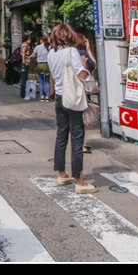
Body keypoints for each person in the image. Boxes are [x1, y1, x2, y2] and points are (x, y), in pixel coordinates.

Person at [47, 24, 97, 194]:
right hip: (72, 98)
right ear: (68, 35)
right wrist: (83, 65)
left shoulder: (51, 53)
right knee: (77, 138)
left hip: (59, 98)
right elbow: (81, 74)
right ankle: (80, 181)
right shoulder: (71, 52)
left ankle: (62, 174)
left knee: (61, 135)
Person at [34, 35, 52, 102]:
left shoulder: (37, 47)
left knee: (41, 81)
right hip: (47, 64)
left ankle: (41, 96)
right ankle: (47, 96)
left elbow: (34, 55)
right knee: (47, 81)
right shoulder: (49, 47)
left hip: (39, 64)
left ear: (41, 40)